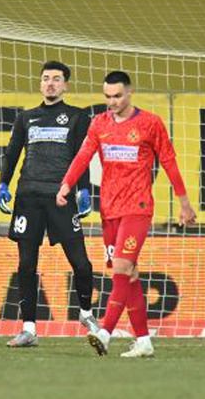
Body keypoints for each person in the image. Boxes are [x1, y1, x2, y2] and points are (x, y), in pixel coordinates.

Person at [57, 70, 196, 358]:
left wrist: (184, 203)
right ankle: (144, 340)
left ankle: (105, 332)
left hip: (138, 208)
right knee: (128, 275)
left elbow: (169, 162)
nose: (112, 102)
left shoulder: (150, 123)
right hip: (109, 209)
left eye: (117, 96)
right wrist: (67, 184)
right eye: (107, 97)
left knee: (121, 268)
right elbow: (83, 155)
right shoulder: (99, 123)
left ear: (130, 93)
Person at [0, 61, 98, 347]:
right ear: (40, 84)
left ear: (65, 85)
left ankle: (86, 313)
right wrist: (3, 183)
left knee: (81, 263)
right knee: (26, 264)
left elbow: (83, 155)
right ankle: (29, 329)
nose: (50, 83)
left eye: (56, 79)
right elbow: (12, 152)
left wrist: (83, 190)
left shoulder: (78, 117)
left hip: (61, 196)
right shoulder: (26, 118)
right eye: (46, 79)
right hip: (28, 196)